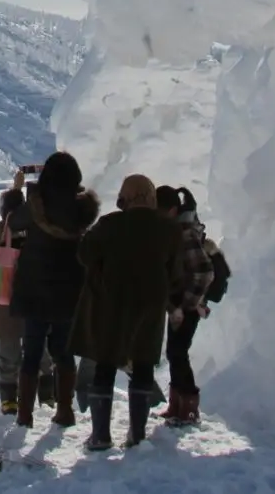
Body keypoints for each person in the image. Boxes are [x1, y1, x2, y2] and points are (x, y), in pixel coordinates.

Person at [69, 174, 183, 450]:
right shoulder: (168, 229)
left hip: (111, 302)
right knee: (143, 363)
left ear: (125, 198)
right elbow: (175, 270)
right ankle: (137, 435)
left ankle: (101, 436)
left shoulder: (110, 224)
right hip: (152, 303)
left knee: (105, 364)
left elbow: (84, 254)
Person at [7, 151, 100, 429]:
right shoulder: (82, 208)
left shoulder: (36, 203)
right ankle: (65, 410)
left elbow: (13, 222)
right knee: (63, 351)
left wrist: (16, 192)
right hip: (69, 288)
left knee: (32, 352)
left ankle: (24, 415)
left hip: (34, 287)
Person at [0, 177, 55, 414]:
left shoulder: (0, 231)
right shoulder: (39, 229)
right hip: (36, 301)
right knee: (41, 354)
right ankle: (48, 398)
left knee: (8, 356)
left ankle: (9, 402)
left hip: (4, 303)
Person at [155, 184, 215, 426]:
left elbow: (204, 272)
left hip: (189, 303)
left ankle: (188, 409)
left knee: (178, 352)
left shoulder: (184, 233)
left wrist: (188, 304)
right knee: (174, 351)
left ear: (170, 210)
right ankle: (177, 407)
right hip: (180, 302)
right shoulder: (175, 229)